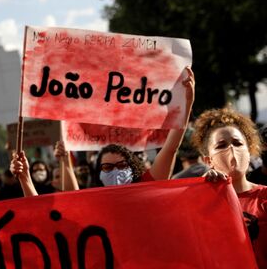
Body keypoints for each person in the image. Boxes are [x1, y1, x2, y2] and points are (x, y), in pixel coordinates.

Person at [12, 66, 195, 194]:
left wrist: (187, 103)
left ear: (134, 168)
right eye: (107, 167)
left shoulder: (149, 185)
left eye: (122, 166)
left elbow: (171, 148)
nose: (115, 172)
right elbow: (71, 196)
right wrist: (25, 177)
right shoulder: (95, 199)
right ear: (98, 173)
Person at [191, 107, 266, 269]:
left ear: (250, 151)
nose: (231, 149)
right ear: (208, 160)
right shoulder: (196, 204)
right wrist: (201, 195)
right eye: (221, 145)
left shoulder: (264, 197)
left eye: (238, 143)